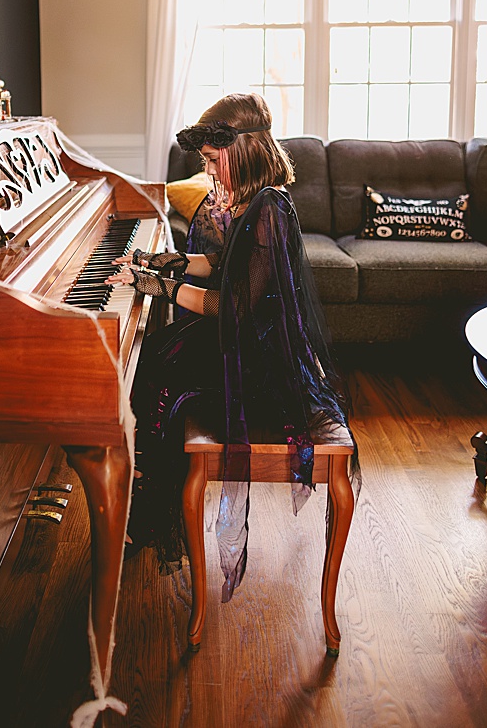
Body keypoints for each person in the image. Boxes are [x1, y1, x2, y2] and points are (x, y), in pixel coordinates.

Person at [106, 92, 357, 597]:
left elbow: (234, 305)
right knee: (157, 358)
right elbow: (226, 266)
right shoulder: (256, 201)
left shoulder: (269, 209)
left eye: (211, 161)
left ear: (239, 151)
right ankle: (144, 500)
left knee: (158, 366)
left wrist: (167, 290)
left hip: (260, 363)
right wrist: (174, 263)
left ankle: (148, 508)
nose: (210, 172)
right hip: (247, 342)